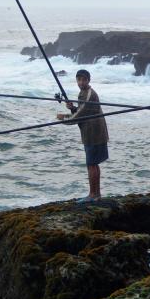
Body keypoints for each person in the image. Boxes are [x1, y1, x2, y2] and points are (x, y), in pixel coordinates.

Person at [57, 69, 109, 202]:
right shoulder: (84, 93)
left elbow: (80, 115)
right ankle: (96, 194)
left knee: (91, 164)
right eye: (78, 80)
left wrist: (63, 118)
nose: (81, 82)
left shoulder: (89, 94)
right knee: (93, 163)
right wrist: (72, 108)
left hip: (94, 133)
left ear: (88, 80)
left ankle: (93, 195)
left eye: (83, 80)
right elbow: (83, 112)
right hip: (92, 131)